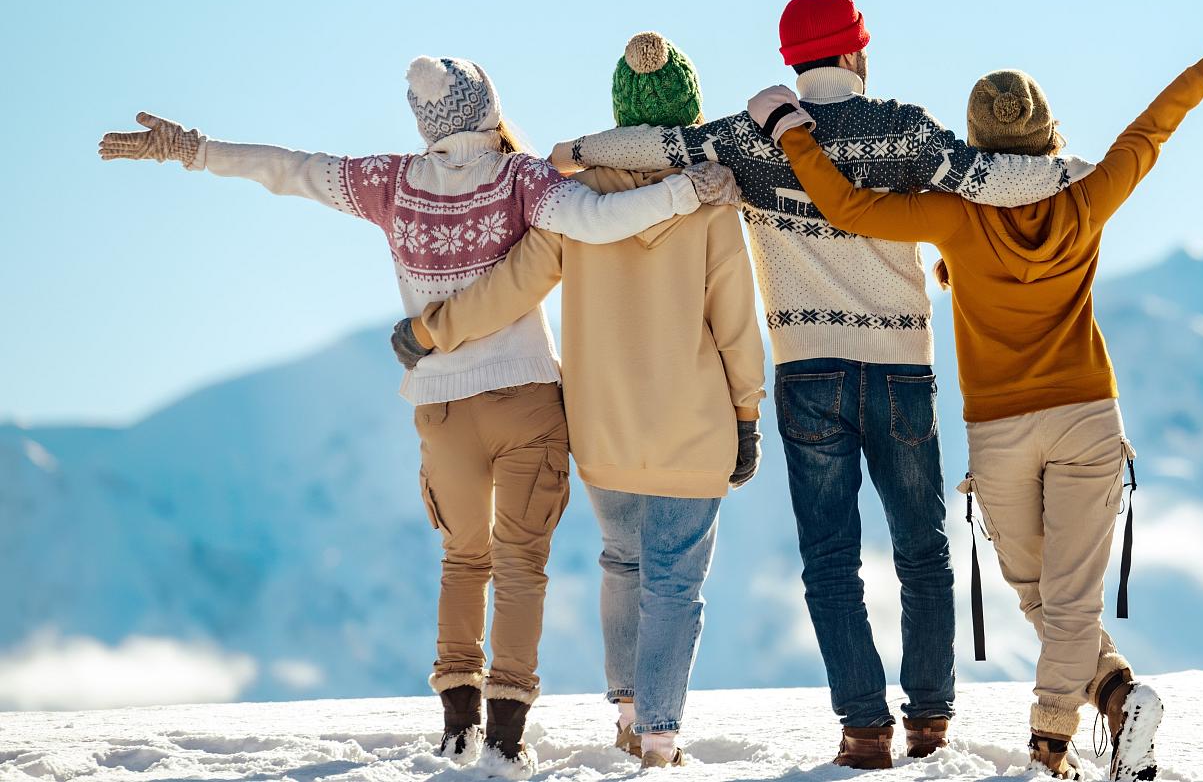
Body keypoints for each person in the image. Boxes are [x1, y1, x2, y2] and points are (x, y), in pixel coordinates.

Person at [97, 56, 738, 772]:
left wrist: (193, 150)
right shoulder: (522, 179)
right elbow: (600, 218)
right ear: (487, 107)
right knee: (522, 567)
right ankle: (505, 736)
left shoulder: (389, 183)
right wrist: (686, 193)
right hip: (526, 397)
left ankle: (458, 723)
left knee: (463, 561)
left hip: (441, 406)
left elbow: (292, 169)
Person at [750, 0, 1203, 781]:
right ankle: (1116, 697)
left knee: (1043, 595)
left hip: (998, 432)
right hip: (1087, 419)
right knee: (1056, 600)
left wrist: (789, 130)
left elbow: (848, 208)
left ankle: (1051, 747)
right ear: (1048, 136)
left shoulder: (954, 217)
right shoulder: (1087, 197)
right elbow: (1155, 126)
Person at [549, 0, 1088, 769]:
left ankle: (863, 728)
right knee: (922, 551)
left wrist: (573, 149)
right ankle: (930, 722)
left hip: (807, 373)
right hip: (901, 370)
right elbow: (989, 178)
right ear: (858, 54)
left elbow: (657, 144)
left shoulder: (748, 139)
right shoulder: (902, 127)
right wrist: (1077, 171)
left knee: (831, 559)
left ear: (792, 63)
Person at [394, 34, 763, 769]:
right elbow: (736, 326)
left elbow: (511, 288)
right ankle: (659, 737)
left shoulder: (576, 199)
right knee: (675, 582)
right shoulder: (712, 203)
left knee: (622, 563)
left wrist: (432, 330)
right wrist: (748, 415)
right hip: (693, 426)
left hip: (599, 429)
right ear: (685, 114)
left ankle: (629, 717)